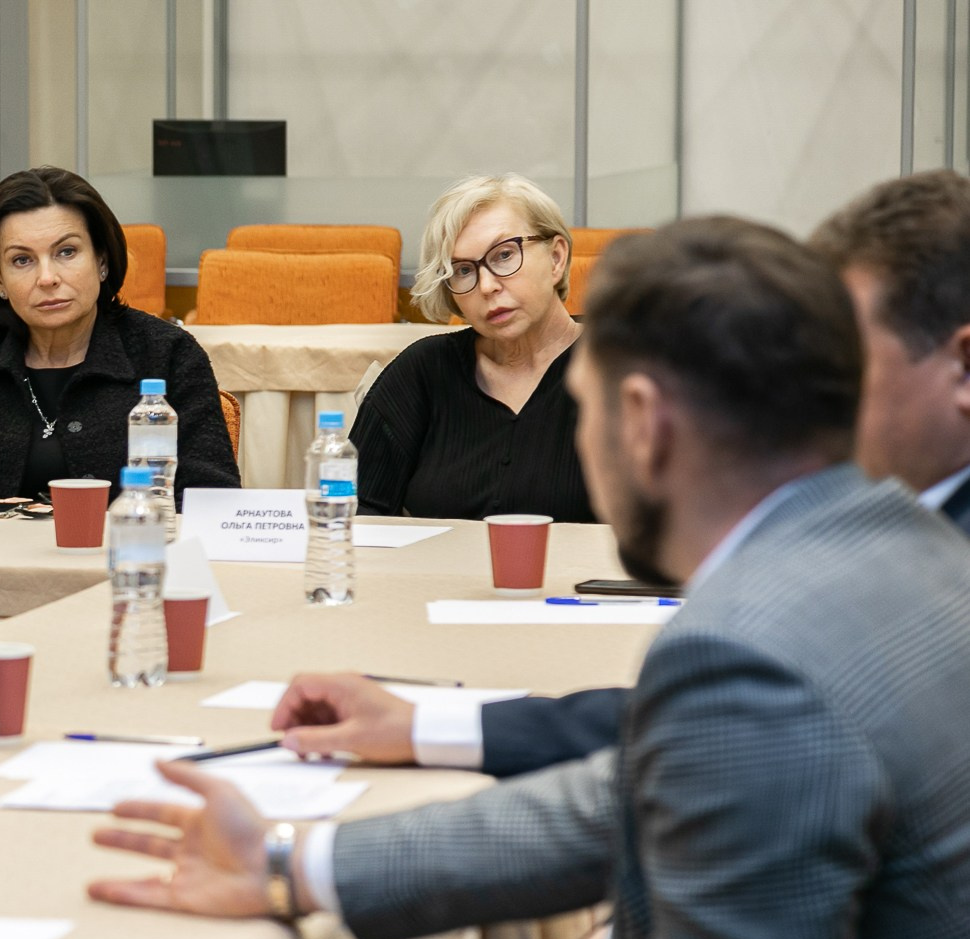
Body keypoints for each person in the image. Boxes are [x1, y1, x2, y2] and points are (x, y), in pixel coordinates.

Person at [90, 218, 970, 939]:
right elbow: (629, 793)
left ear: (641, 423)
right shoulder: (903, 544)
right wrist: (295, 860)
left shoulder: (752, 643)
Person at [276, 170, 970, 786]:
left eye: (852, 356)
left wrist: (302, 863)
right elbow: (678, 747)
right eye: (464, 271)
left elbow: (706, 768)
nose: (832, 390)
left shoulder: (857, 580)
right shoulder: (884, 544)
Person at [0, 166, 239, 506]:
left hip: (124, 567)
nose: (47, 278)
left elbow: (211, 499)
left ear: (103, 261)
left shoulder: (167, 355)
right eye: (22, 260)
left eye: (66, 252)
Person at [355, 174, 592, 524]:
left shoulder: (626, 368)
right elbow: (353, 512)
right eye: (463, 270)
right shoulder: (423, 372)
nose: (487, 285)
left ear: (556, 258)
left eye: (505, 255)